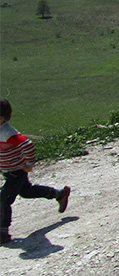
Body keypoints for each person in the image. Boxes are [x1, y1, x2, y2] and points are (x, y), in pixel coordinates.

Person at [1, 98, 70, 244]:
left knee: (3, 200)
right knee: (26, 191)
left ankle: (3, 232)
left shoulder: (7, 133)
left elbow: (28, 145)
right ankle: (59, 194)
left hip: (16, 171)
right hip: (9, 170)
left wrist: (29, 164)